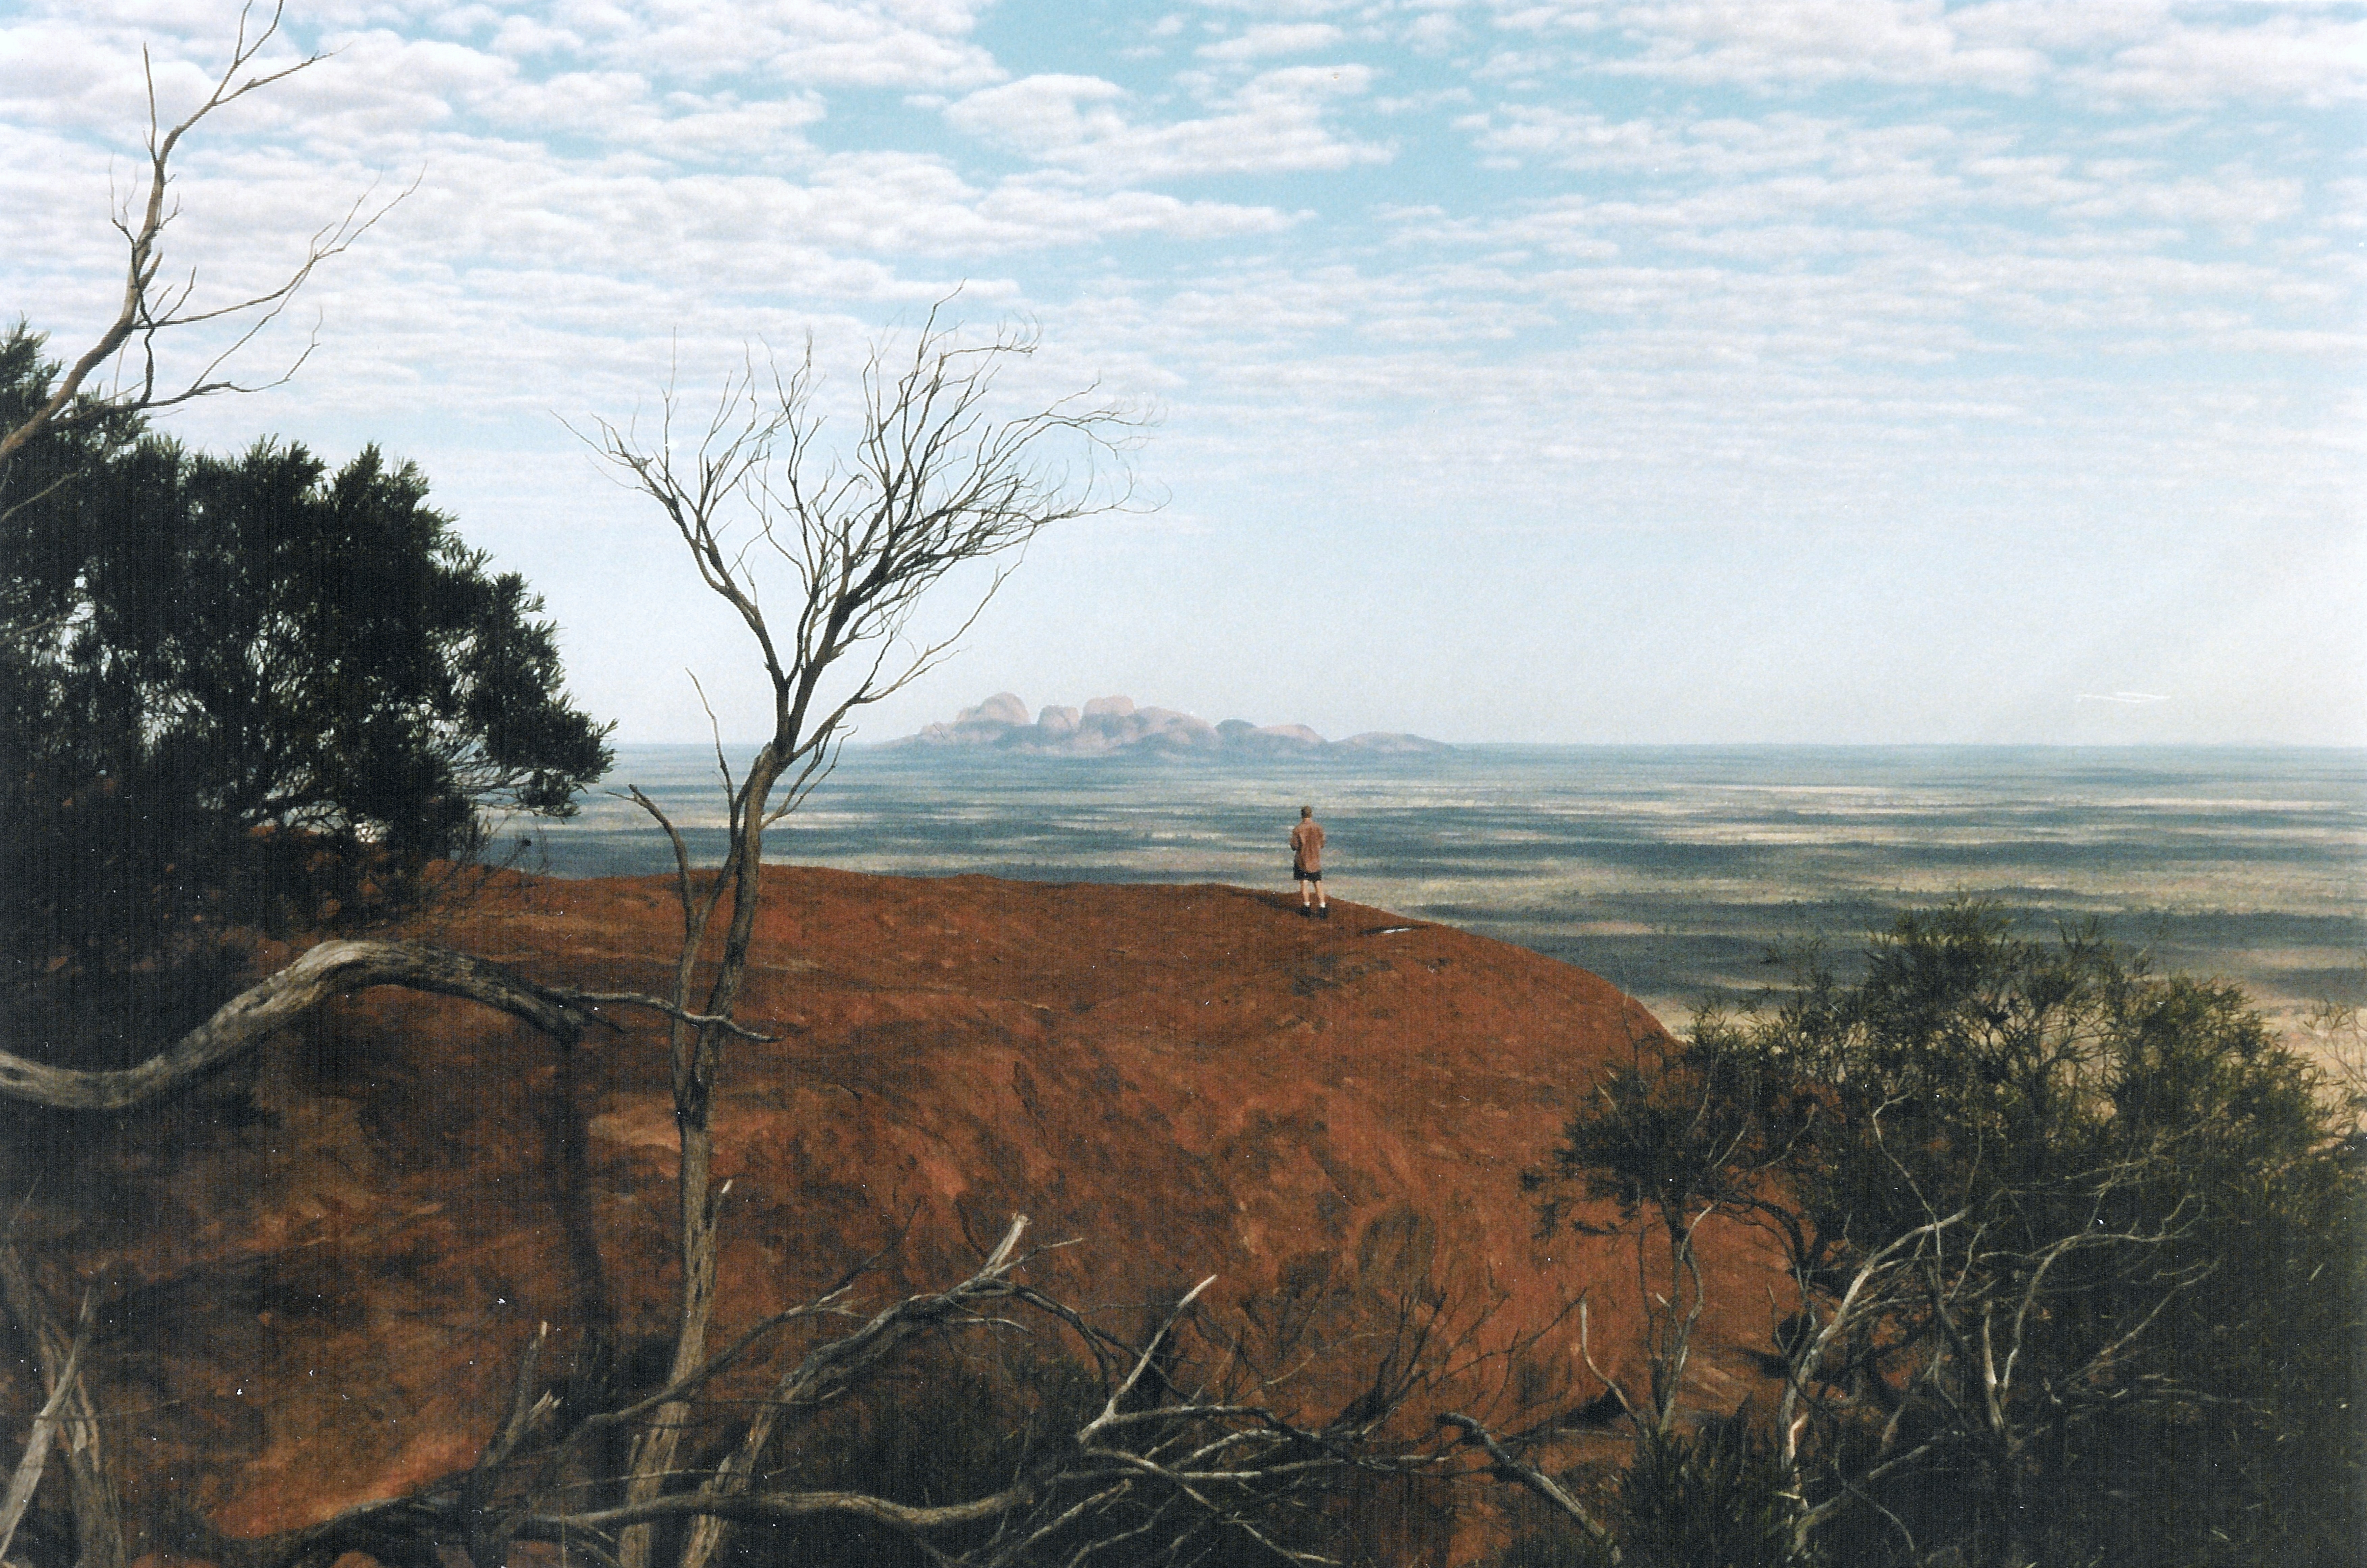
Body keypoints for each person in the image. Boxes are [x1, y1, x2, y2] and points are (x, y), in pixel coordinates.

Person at [1290, 805, 1328, 918]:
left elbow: (1294, 846)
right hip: (1315, 861)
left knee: (1304, 883)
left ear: (1302, 815)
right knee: (1318, 883)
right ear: (1311, 814)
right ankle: (1323, 907)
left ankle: (1307, 907)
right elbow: (1322, 845)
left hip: (1302, 861)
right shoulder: (1319, 828)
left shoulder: (1298, 829)